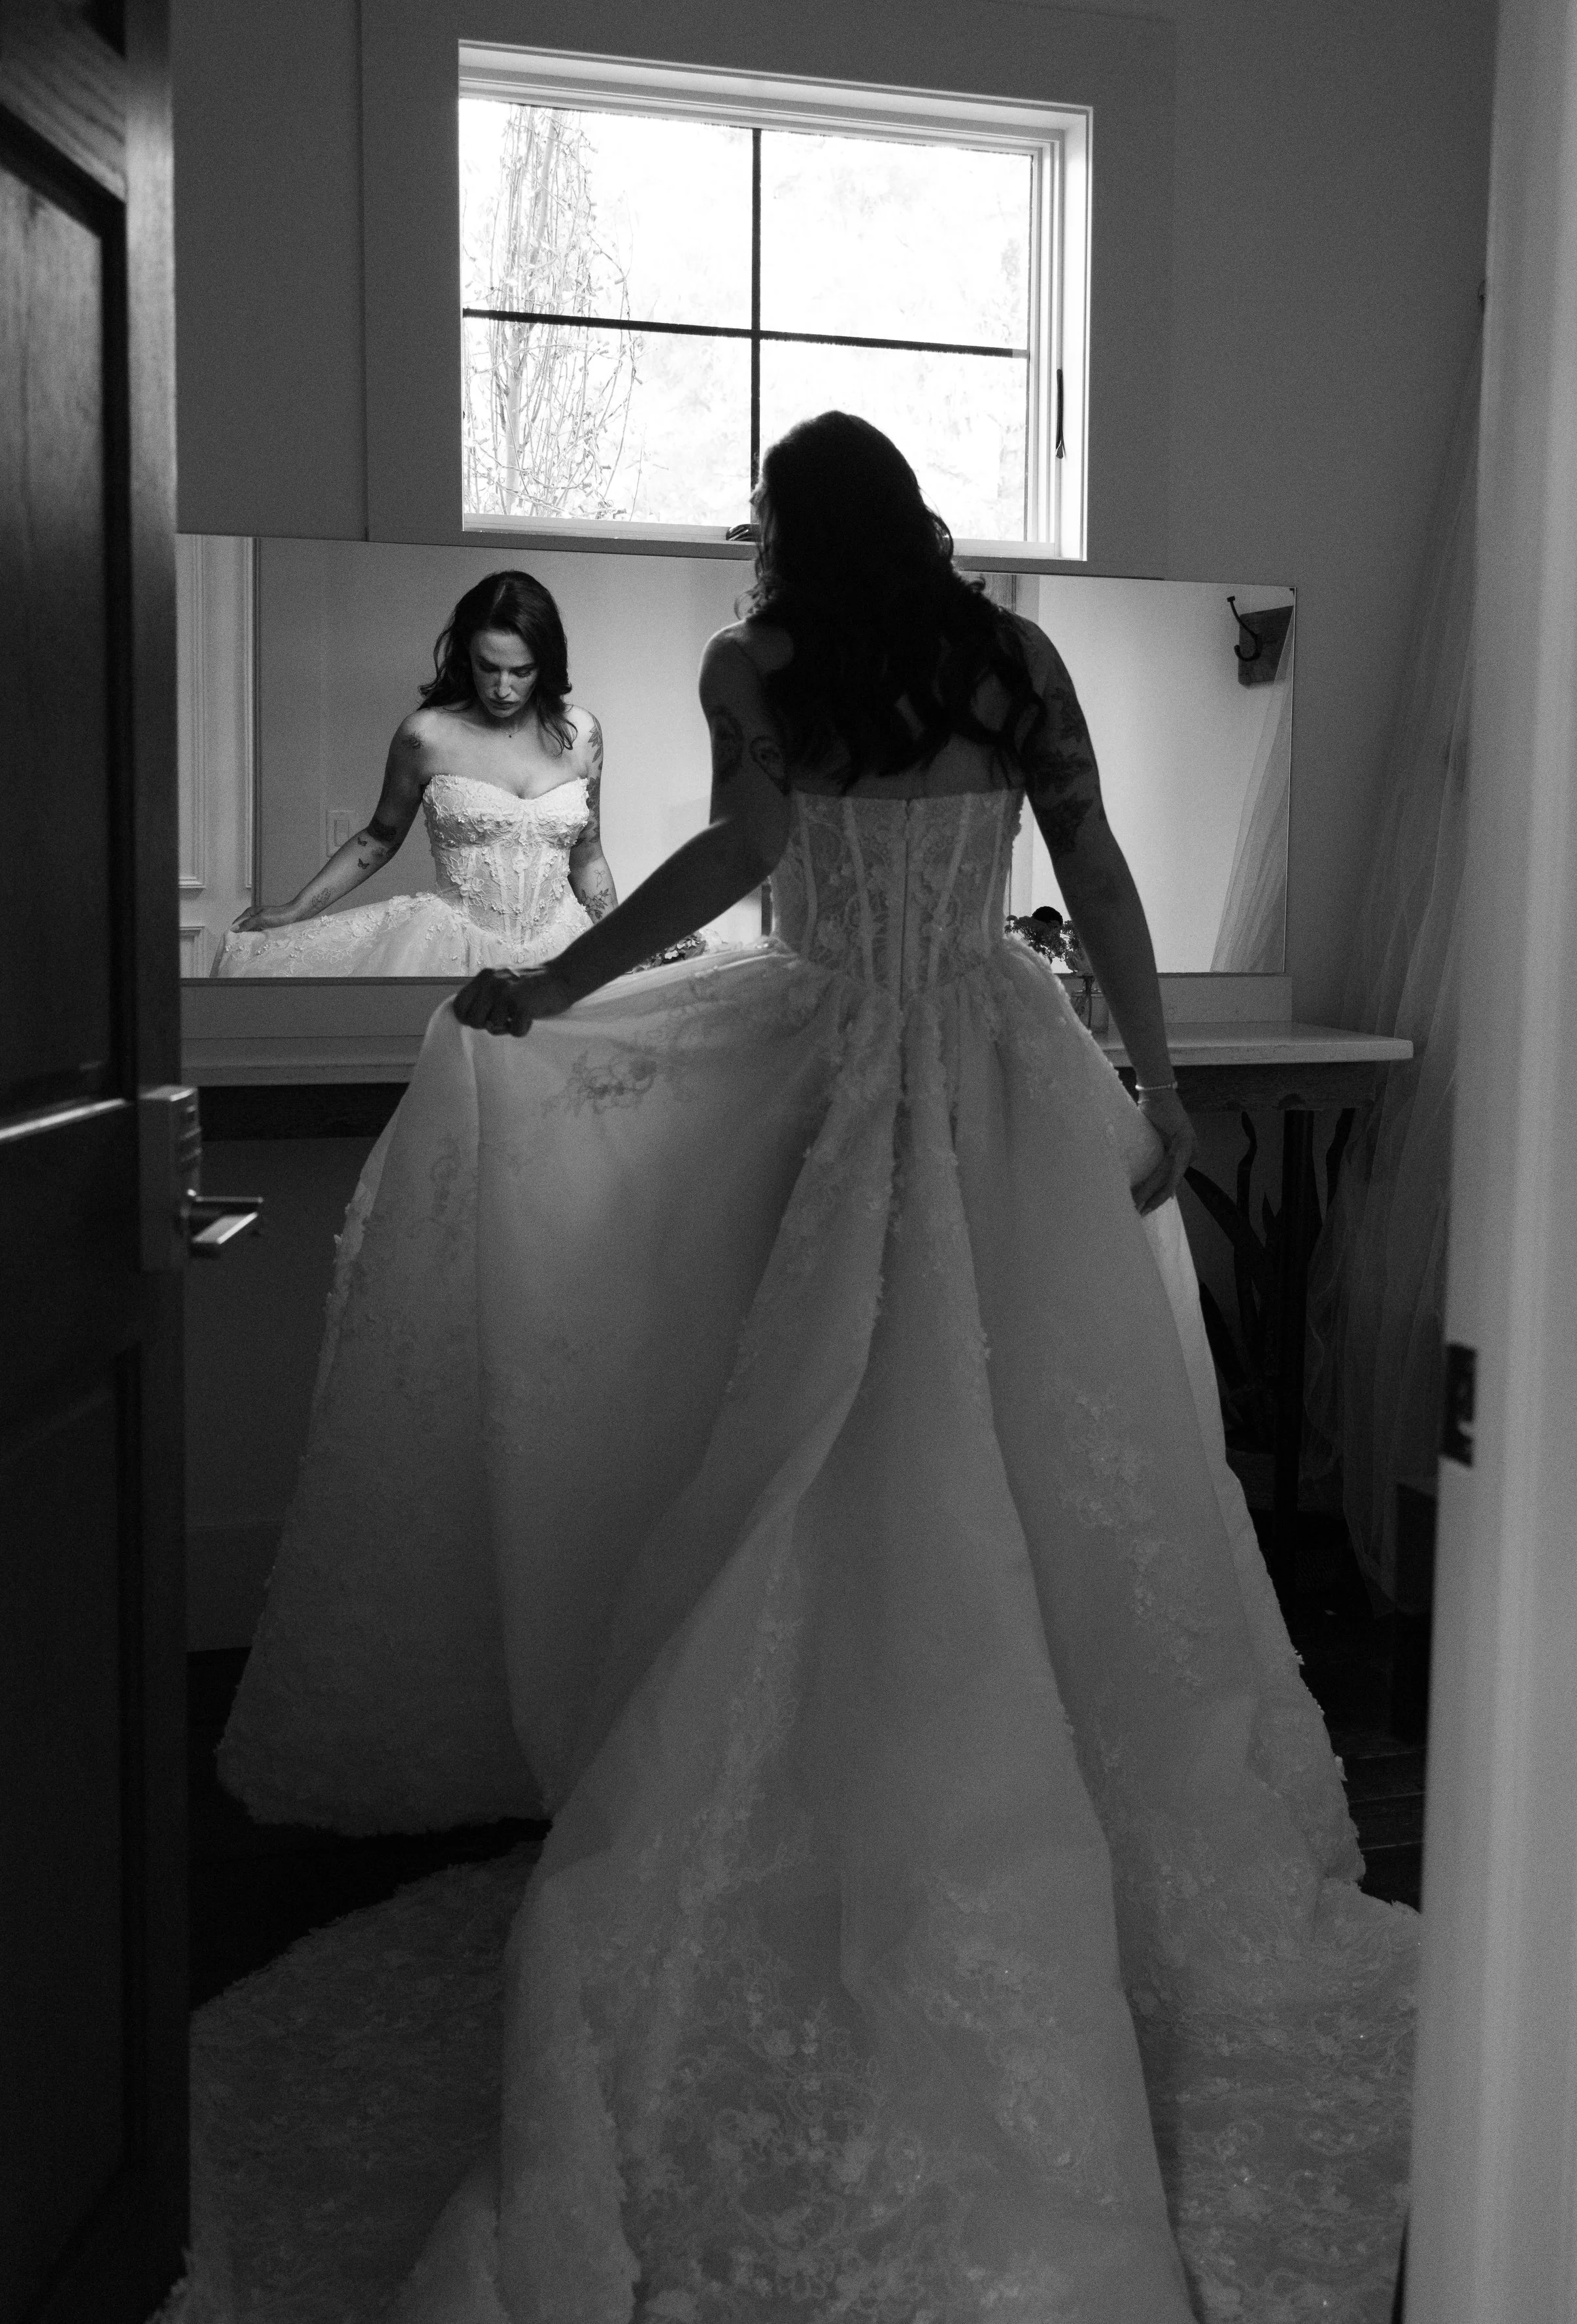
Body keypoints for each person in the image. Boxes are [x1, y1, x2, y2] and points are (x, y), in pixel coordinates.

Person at [218, 415, 1416, 2322]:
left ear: (793, 527)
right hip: (1004, 1066)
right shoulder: (1011, 663)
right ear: (910, 521)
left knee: (819, 1434)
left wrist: (557, 985)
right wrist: (1158, 1080)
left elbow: (741, 856)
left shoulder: (756, 669)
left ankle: (820, 1810)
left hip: (834, 1071)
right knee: (1015, 1442)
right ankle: (1022, 1828)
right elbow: (1096, 872)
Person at [212, 570, 615, 977]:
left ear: (544, 664)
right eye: (488, 667)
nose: (502, 688)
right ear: (467, 657)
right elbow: (380, 838)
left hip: (563, 948)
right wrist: (297, 908)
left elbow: (588, 858)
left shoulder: (582, 735)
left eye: (521, 671)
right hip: (452, 951)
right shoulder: (424, 736)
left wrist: (625, 952)